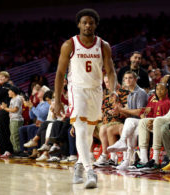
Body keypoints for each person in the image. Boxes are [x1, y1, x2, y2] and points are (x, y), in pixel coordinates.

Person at [54, 8, 117, 189]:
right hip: (77, 90)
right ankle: (91, 170)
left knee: (88, 133)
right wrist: (58, 100)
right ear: (78, 25)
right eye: (84, 22)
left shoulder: (103, 45)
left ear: (96, 25)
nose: (88, 25)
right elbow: (59, 73)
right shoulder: (69, 44)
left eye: (91, 22)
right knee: (80, 129)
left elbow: (111, 71)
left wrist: (112, 91)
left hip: (96, 90)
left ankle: (79, 165)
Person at [135, 62, 170, 171]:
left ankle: (155, 160)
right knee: (143, 122)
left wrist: (158, 120)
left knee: (157, 120)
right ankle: (144, 159)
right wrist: (156, 119)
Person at [0, 85, 24, 156]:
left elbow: (15, 109)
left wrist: (5, 108)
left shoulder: (17, 99)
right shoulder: (13, 99)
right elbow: (10, 109)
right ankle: (15, 150)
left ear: (13, 92)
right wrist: (4, 107)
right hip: (13, 119)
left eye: (9, 91)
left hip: (17, 120)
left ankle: (18, 151)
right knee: (12, 136)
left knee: (15, 136)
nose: (8, 92)